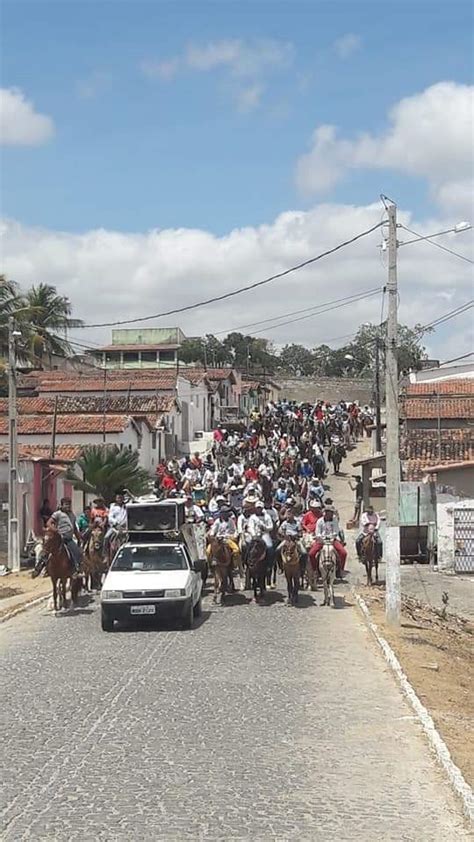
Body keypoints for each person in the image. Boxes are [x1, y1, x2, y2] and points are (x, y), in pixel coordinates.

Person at [46, 497, 82, 575]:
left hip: (69, 539)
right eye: (66, 504)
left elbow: (74, 528)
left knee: (77, 552)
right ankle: (42, 567)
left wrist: (79, 538)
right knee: (47, 550)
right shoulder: (57, 514)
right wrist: (55, 530)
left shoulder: (72, 515)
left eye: (69, 505)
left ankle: (76, 569)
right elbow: (48, 523)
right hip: (59, 538)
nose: (68, 506)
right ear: (62, 505)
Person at [309, 506, 347, 576]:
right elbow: (318, 532)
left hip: (333, 539)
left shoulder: (334, 520)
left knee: (343, 553)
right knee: (311, 553)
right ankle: (315, 570)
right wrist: (322, 538)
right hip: (321, 540)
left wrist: (332, 537)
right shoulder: (320, 521)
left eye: (331, 513)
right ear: (325, 513)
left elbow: (336, 531)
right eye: (328, 512)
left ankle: (340, 569)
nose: (330, 514)